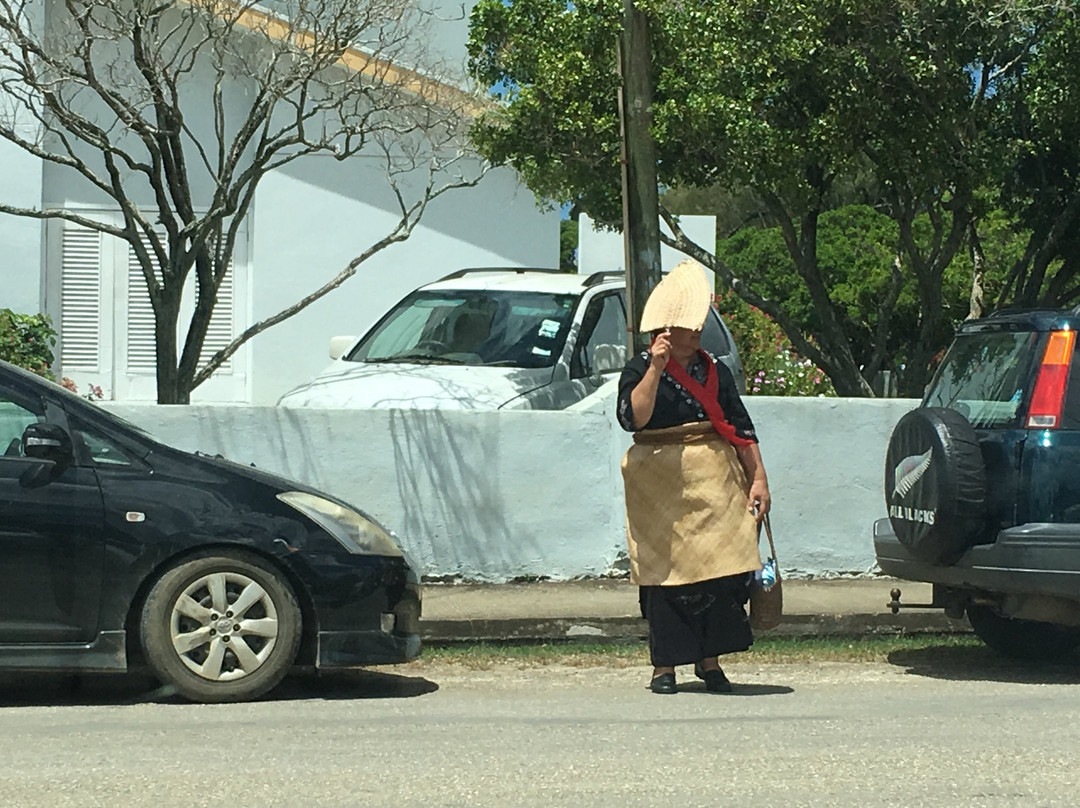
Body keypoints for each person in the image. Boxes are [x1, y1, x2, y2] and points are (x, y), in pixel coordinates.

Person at [616, 260, 771, 695]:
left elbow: (740, 428)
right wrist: (655, 369)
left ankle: (710, 661)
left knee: (720, 571)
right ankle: (663, 666)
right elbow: (633, 418)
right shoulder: (639, 368)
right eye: (688, 323)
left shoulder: (716, 371)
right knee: (664, 574)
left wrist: (758, 479)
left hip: (715, 482)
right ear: (666, 329)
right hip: (658, 484)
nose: (698, 328)